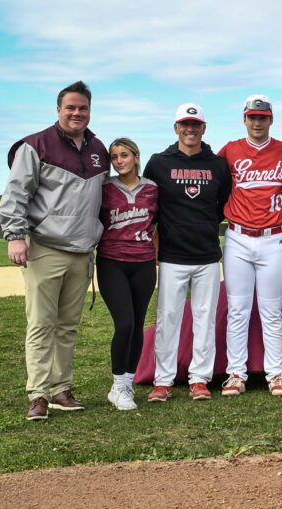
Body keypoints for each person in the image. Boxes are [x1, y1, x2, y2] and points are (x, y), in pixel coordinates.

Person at [0, 81, 108, 420]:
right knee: (41, 323)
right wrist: (15, 236)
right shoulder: (36, 145)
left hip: (81, 250)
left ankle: (61, 387)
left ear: (90, 111)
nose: (77, 113)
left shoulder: (98, 148)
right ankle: (39, 393)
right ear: (58, 110)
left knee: (67, 325)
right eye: (71, 107)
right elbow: (16, 193)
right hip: (45, 246)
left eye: (83, 108)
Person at [143, 103, 231, 403]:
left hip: (207, 254)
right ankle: (164, 380)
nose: (190, 129)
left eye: (195, 125)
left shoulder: (217, 163)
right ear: (176, 128)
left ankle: (199, 379)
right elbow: (149, 203)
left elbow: (222, 204)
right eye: (184, 124)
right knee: (168, 317)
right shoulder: (159, 162)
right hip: (171, 255)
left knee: (205, 319)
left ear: (203, 128)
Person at [218, 94, 282, 397]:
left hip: (273, 238)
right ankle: (236, 373)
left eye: (262, 117)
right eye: (252, 117)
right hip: (237, 237)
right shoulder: (230, 150)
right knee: (238, 309)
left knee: (271, 310)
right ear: (244, 119)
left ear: (271, 120)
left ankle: (275, 373)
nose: (257, 122)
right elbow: (217, 184)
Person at [97, 138, 158, 410]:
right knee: (124, 324)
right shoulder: (104, 188)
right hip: (112, 261)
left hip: (144, 263)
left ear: (136, 156)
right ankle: (118, 385)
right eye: (114, 157)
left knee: (138, 326)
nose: (119, 161)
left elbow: (158, 224)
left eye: (124, 155)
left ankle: (128, 383)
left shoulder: (153, 188)